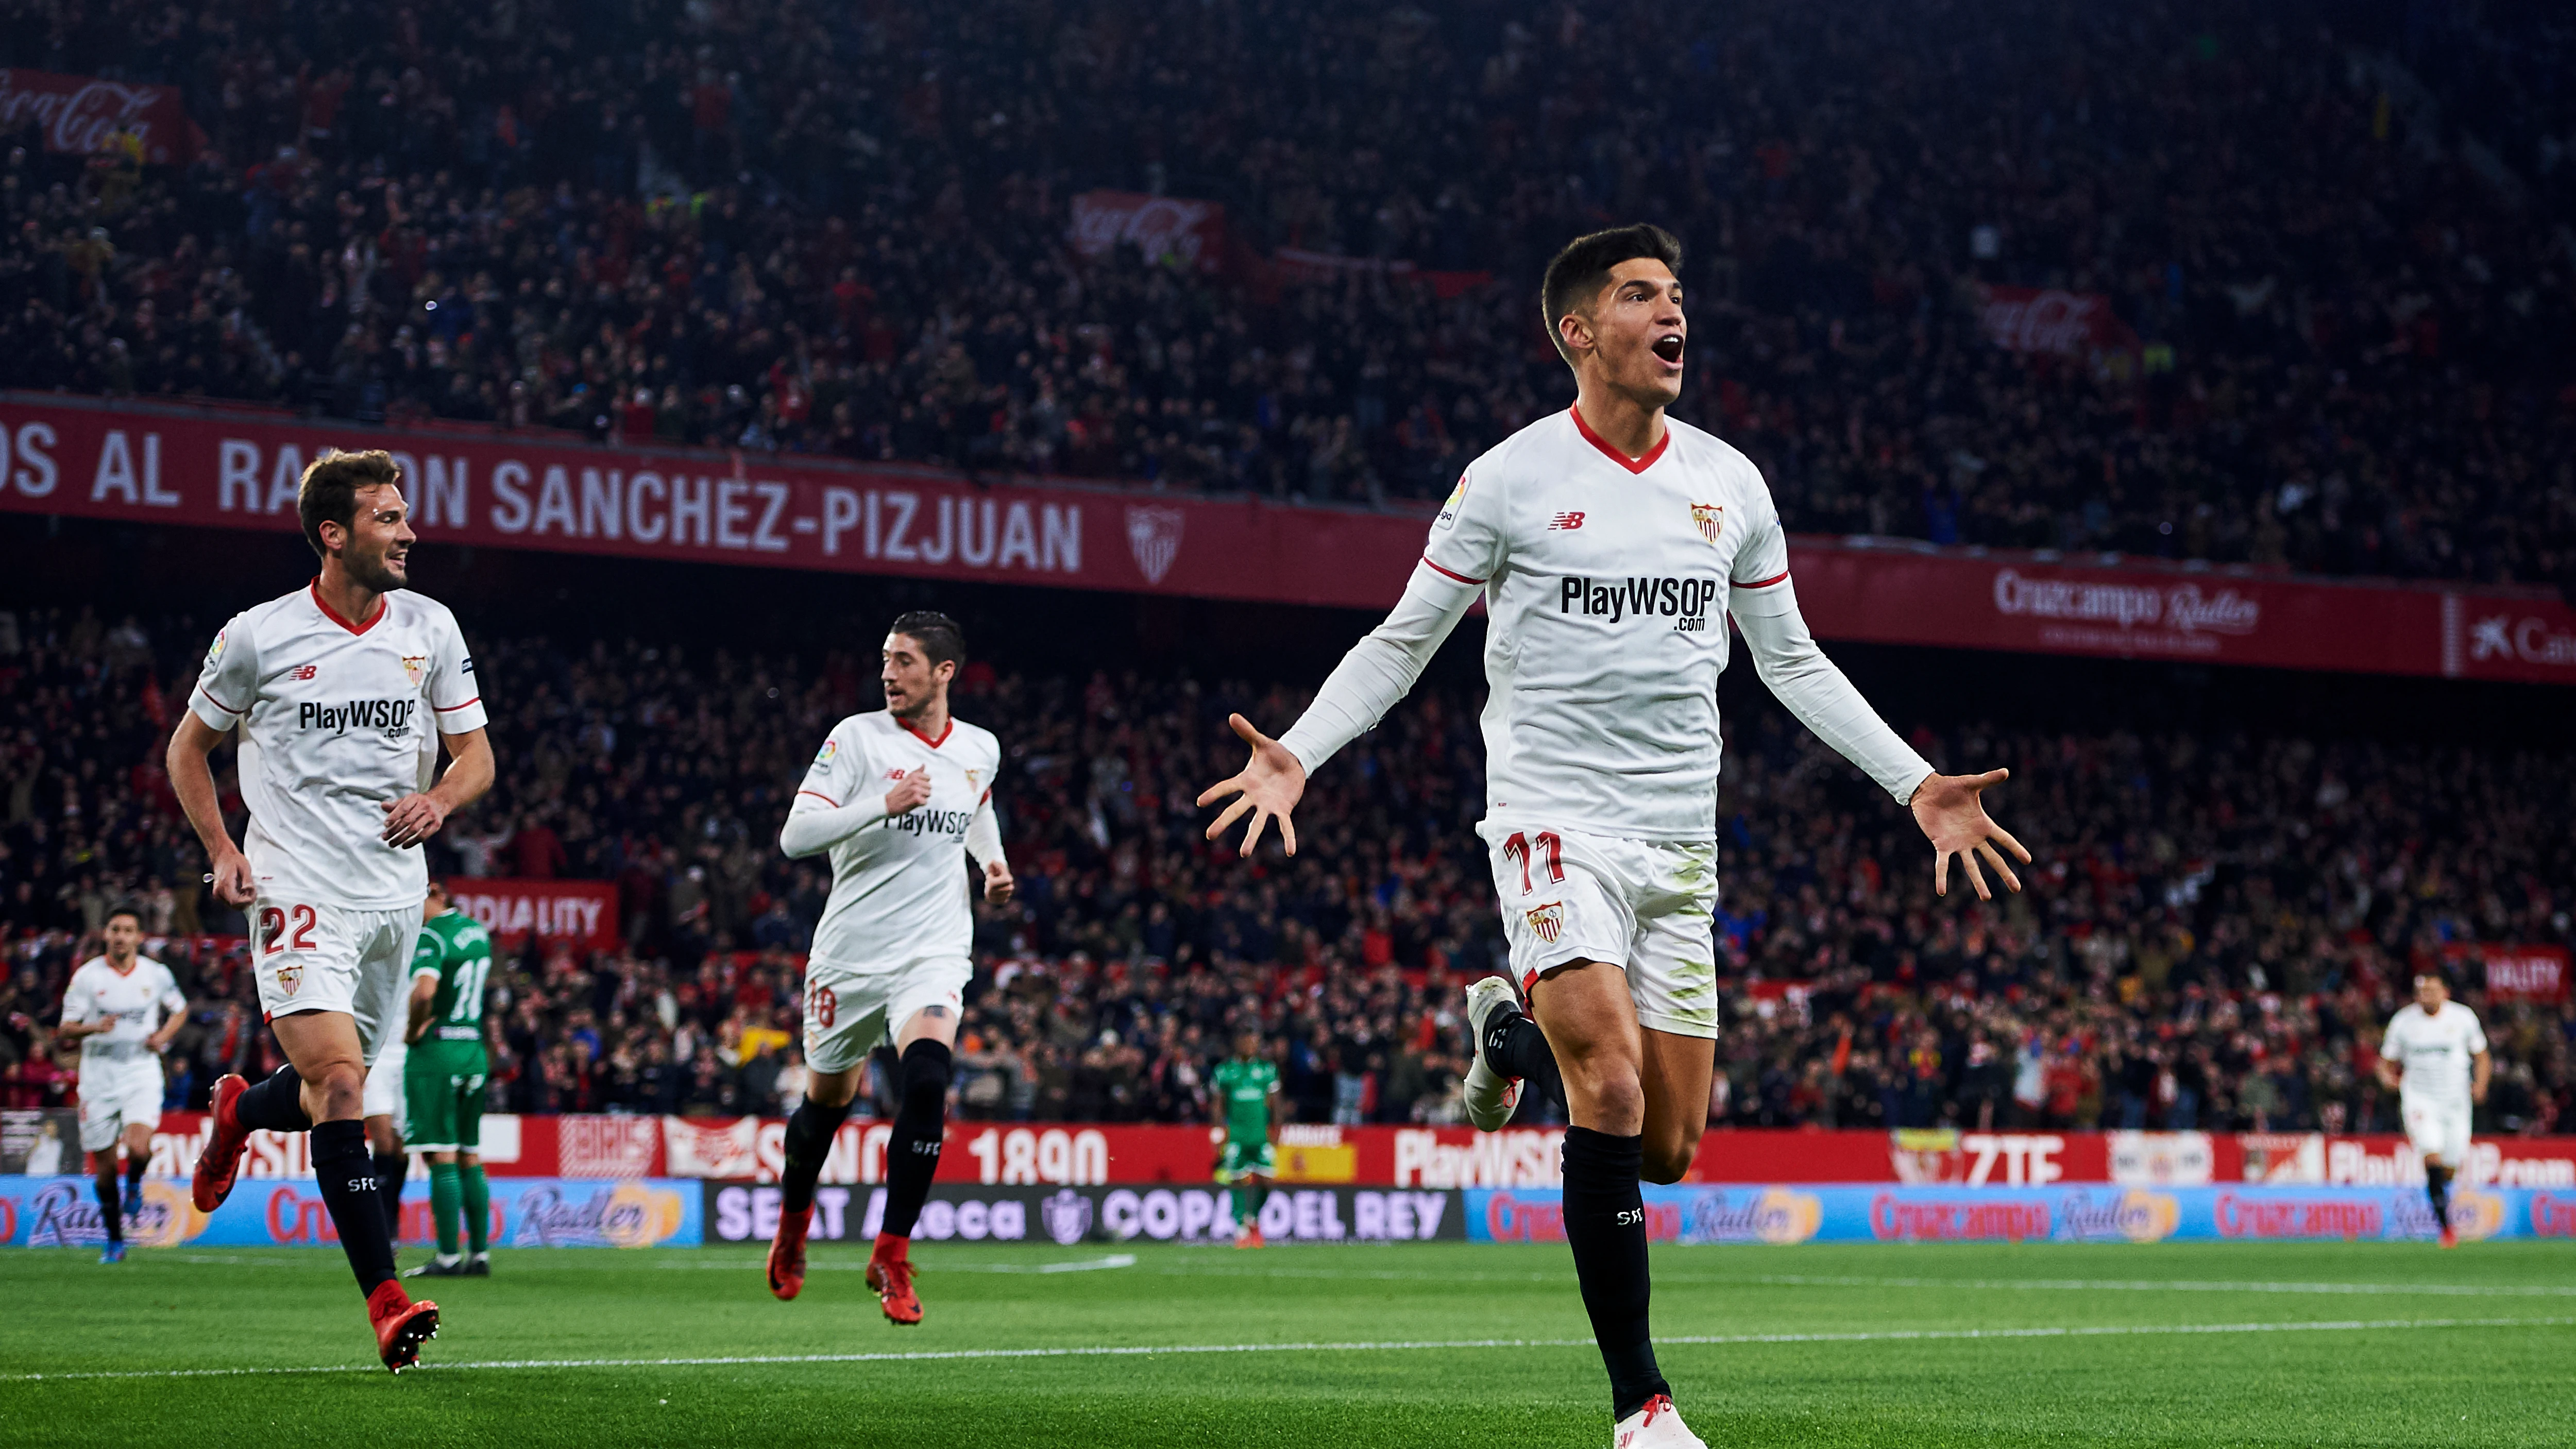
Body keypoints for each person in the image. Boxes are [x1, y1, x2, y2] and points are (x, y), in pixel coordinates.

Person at [1198, 225, 2029, 1448]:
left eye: (1677, 294)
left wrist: (1915, 784)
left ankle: (1504, 1031)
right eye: (1641, 294)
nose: (1670, 312)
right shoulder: (1509, 480)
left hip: (1677, 844)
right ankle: (1641, 1402)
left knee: (1671, 1145)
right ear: (1578, 333)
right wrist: (1299, 752)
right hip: (1550, 821)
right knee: (1612, 1076)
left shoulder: (1730, 484)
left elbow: (1788, 659)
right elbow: (1402, 638)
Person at [172, 449, 494, 1373]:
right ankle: (386, 1298)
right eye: (389, 518)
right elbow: (188, 750)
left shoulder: (430, 626)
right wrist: (223, 850)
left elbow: (476, 755)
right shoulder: (258, 637)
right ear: (334, 534)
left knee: (320, 1090)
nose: (410, 531)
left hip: (394, 899)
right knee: (344, 1088)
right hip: (296, 888)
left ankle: (240, 1109)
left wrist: (442, 798)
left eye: (405, 514)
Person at [766, 611, 1013, 1324]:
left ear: (944, 672)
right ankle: (793, 1224)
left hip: (932, 951)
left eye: (904, 661)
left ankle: (893, 1253)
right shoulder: (857, 738)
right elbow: (796, 836)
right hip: (849, 958)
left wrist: (992, 863)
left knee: (930, 1079)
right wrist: (884, 802)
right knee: (824, 1111)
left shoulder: (979, 747)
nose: (888, 673)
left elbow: (977, 805)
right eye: (885, 659)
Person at [56, 904, 186, 1264]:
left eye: (128, 930)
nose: (121, 936)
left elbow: (181, 1009)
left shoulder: (155, 974)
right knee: (105, 1168)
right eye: (115, 929)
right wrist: (93, 1027)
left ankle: (136, 1183)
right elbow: (65, 1027)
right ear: (106, 934)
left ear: (140, 937)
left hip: (139, 1069)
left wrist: (163, 1036)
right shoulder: (87, 977)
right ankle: (115, 1240)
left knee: (140, 1147)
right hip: (98, 1073)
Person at [402, 880, 495, 1277]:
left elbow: (424, 993)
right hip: (473, 1049)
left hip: (438, 1054)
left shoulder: (432, 937)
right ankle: (480, 1253)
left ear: (433, 892)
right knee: (469, 1153)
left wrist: (412, 1030)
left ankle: (447, 1256)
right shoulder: (477, 932)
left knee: (440, 1153)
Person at [2377, 970, 2491, 1249]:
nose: (2427, 996)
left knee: (2450, 1166)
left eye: (2432, 990)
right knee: (2432, 1157)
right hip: (2420, 1099)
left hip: (2456, 1102)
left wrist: (2481, 1084)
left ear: (2445, 993)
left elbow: (2482, 1055)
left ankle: (2440, 1196)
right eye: (2422, 991)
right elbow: (2384, 1062)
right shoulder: (2403, 1022)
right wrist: (2388, 1080)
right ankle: (2446, 1229)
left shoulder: (2463, 1017)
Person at [1210, 1030, 1282, 1248]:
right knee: (1238, 1180)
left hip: (1260, 1135)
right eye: (1247, 1040)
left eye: (1255, 1041)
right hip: (1236, 1136)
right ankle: (1241, 1228)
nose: (1251, 1045)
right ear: (1238, 1042)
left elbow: (1276, 1102)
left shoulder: (1267, 1070)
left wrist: (1277, 1130)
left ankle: (1253, 1219)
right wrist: (1219, 1130)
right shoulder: (1224, 1071)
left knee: (1268, 1181)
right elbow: (1217, 1104)